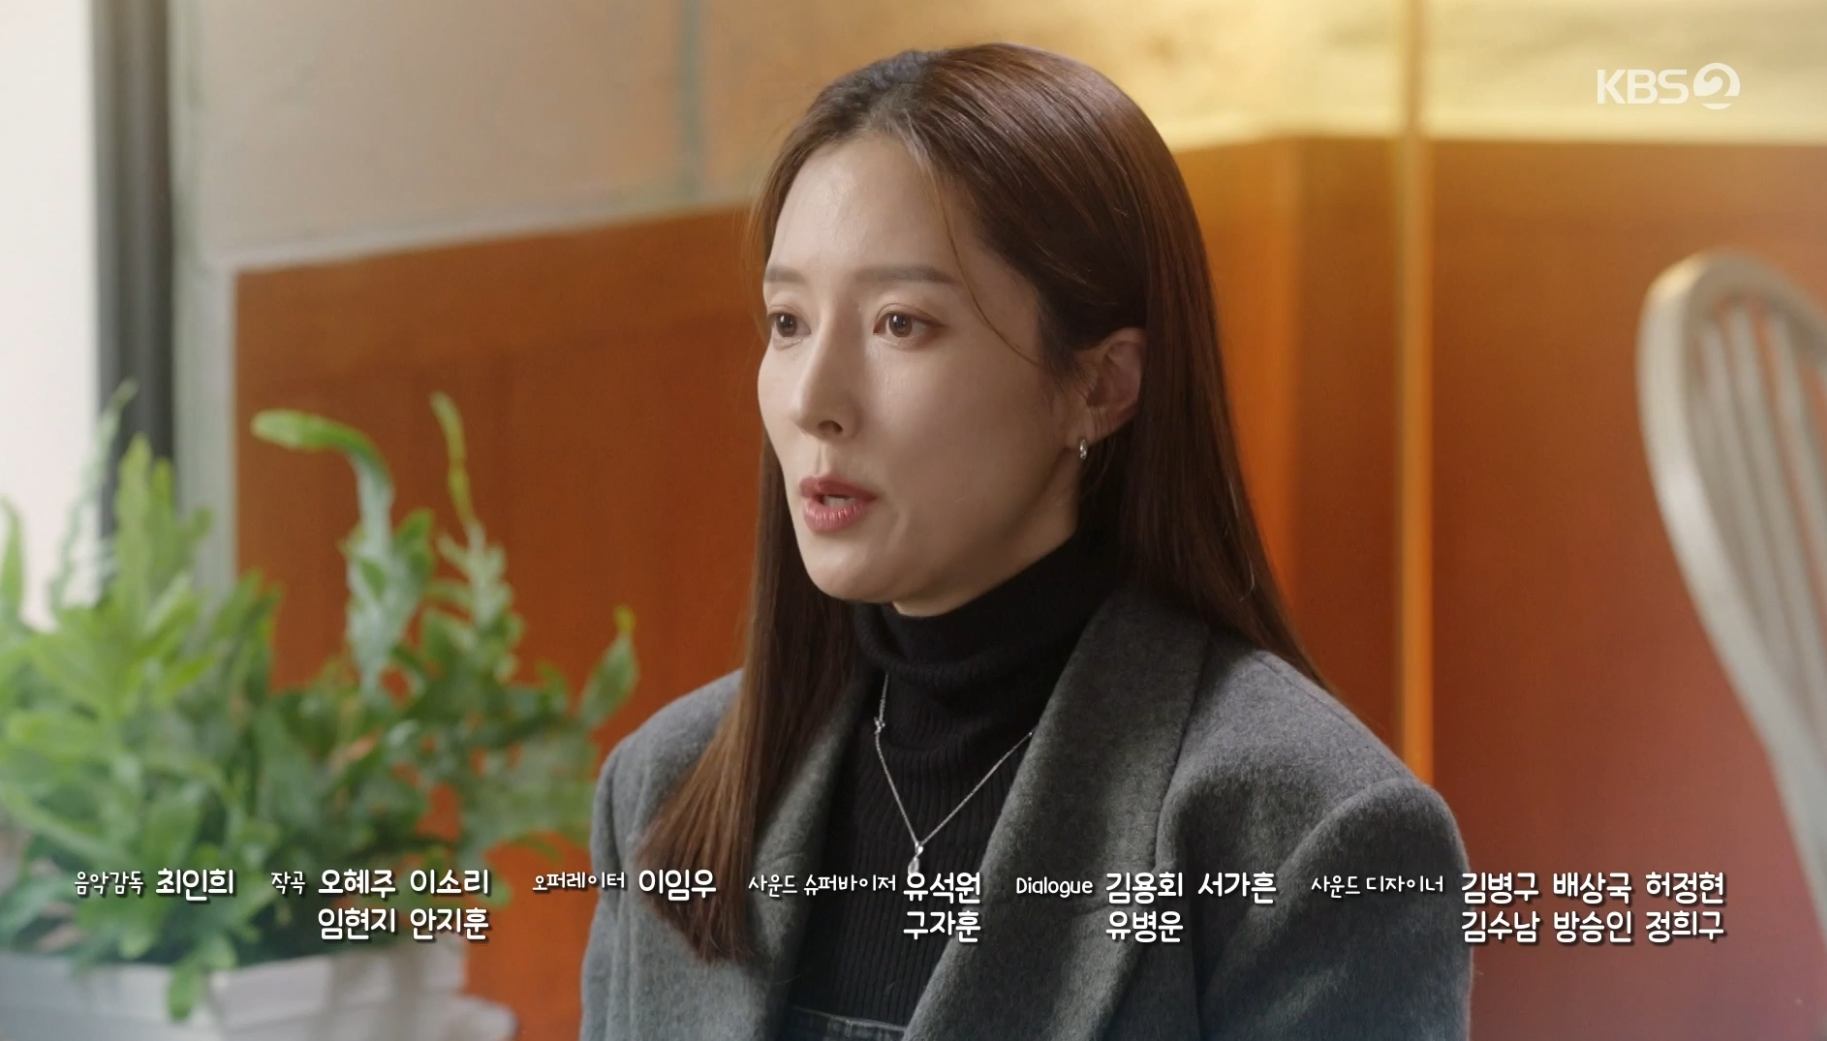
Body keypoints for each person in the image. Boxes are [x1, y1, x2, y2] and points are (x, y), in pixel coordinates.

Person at [579, 42, 1471, 1041]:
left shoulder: (1307, 833)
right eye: (787, 321)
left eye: (900, 323)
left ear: (1100, 386)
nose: (812, 399)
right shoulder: (664, 786)